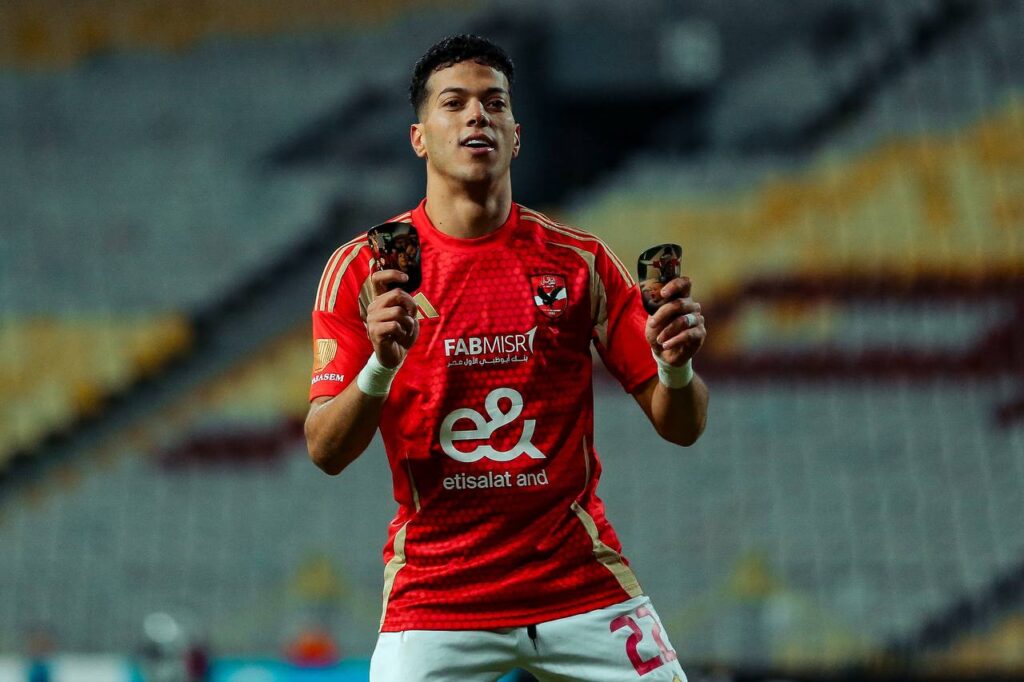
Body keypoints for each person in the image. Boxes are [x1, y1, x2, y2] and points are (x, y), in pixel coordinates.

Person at [305, 34, 708, 682]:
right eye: (455, 103)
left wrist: (676, 365)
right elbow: (324, 450)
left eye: (494, 103)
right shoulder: (362, 271)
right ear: (418, 137)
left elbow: (682, 425)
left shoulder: (579, 263)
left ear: (516, 135)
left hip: (579, 585)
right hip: (438, 596)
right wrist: (380, 366)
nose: (477, 116)